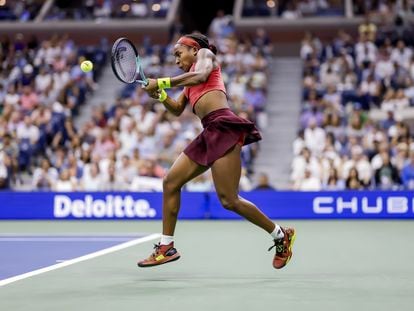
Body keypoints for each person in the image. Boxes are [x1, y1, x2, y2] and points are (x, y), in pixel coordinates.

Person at [138, 33, 295, 269]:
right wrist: (160, 95)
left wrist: (161, 82)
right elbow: (177, 109)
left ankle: (281, 235)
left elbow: (200, 75)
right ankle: (166, 246)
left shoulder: (205, 55)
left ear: (194, 50)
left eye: (179, 54)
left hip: (223, 126)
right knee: (170, 182)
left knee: (229, 200)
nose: (176, 60)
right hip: (208, 130)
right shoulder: (189, 84)